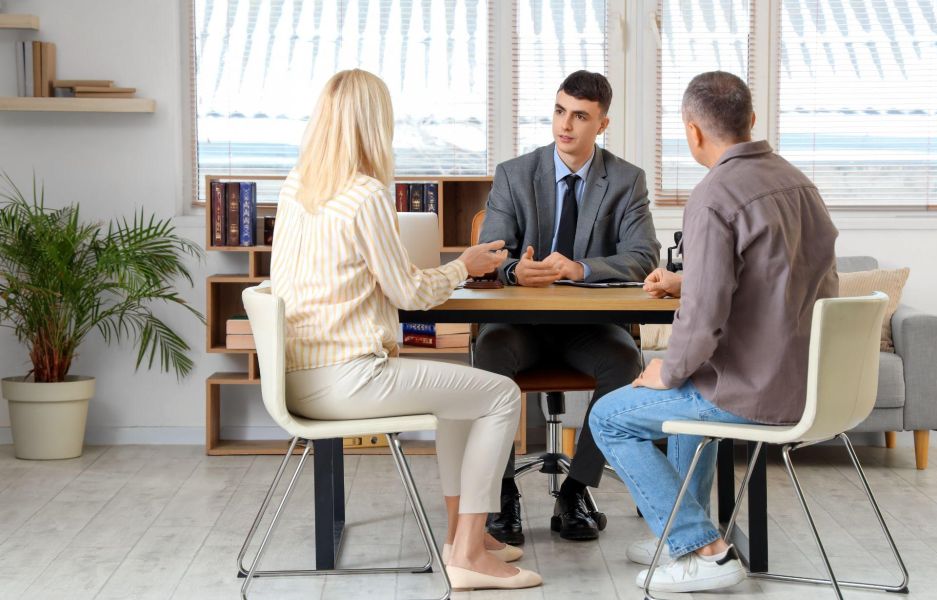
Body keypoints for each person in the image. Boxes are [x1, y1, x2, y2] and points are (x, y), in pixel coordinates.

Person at [270, 69, 542, 591]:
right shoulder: (365, 195)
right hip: (348, 379)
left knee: (463, 397)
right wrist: (465, 265)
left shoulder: (295, 187)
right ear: (376, 125)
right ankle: (467, 553)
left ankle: (464, 536)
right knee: (502, 394)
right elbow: (410, 295)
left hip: (297, 378)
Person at [589, 71, 839, 593]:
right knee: (694, 387)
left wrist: (666, 370)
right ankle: (682, 529)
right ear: (750, 121)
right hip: (812, 385)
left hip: (753, 394)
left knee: (610, 416)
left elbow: (702, 322)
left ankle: (703, 547)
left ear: (693, 133)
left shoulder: (714, 195)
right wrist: (690, 279)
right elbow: (782, 278)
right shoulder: (798, 182)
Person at [475, 70, 661, 543]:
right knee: (489, 352)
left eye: (580, 116)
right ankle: (501, 491)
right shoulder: (515, 174)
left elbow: (643, 258)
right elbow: (487, 255)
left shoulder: (625, 180)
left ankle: (575, 490)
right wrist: (515, 270)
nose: (566, 125)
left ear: (602, 124)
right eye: (560, 111)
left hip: (588, 328)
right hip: (521, 326)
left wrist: (578, 269)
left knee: (625, 360)